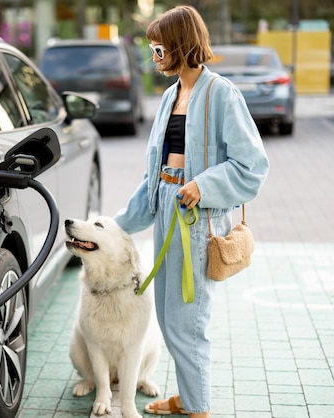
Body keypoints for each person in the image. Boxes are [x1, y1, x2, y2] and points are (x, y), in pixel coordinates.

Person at [113, 5, 269, 417]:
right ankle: (187, 397)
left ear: (181, 45)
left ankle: (198, 409)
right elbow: (155, 173)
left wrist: (203, 185)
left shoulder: (221, 94)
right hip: (167, 205)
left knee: (188, 323)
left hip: (195, 218)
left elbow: (252, 166)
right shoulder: (170, 95)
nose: (154, 56)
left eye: (159, 48)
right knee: (169, 319)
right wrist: (115, 227)